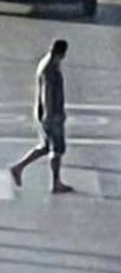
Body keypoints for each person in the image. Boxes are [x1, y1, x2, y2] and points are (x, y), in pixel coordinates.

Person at [8, 39, 73, 194]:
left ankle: (18, 168)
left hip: (44, 112)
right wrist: (50, 115)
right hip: (51, 114)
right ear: (62, 53)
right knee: (56, 149)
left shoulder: (47, 62)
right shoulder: (50, 69)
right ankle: (56, 183)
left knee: (45, 147)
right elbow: (47, 93)